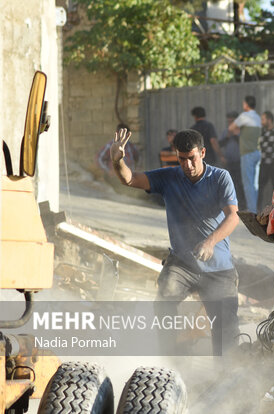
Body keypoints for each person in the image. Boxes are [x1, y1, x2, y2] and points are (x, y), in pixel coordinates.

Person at [109, 128, 240, 355]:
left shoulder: (220, 178)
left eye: (192, 159)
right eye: (182, 160)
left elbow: (233, 216)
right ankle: (171, 364)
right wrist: (118, 160)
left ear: (203, 153)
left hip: (218, 266)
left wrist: (210, 243)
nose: (187, 166)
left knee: (226, 327)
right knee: (163, 305)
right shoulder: (168, 177)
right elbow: (130, 179)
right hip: (182, 264)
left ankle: (226, 374)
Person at [229, 95, 261, 213]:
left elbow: (231, 127)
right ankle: (254, 207)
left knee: (248, 183)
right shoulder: (257, 117)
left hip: (247, 153)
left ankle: (252, 210)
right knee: (255, 183)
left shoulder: (244, 116)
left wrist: (239, 132)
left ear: (246, 104)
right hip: (257, 152)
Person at [219, 111, 246, 210]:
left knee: (240, 183)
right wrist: (228, 136)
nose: (230, 123)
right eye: (229, 121)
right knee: (230, 183)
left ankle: (243, 205)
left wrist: (235, 135)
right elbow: (220, 144)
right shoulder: (226, 131)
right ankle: (232, 204)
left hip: (240, 162)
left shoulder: (242, 131)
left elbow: (245, 145)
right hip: (229, 162)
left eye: (232, 121)